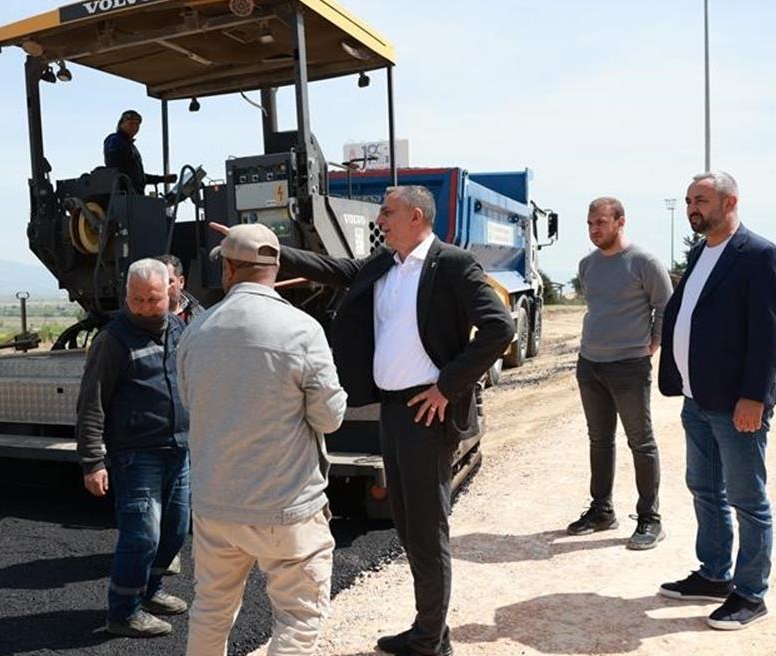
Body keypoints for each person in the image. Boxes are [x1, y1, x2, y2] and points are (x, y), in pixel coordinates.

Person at [276, 186, 515, 656]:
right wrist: (271, 249)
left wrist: (447, 386)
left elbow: (499, 327)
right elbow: (336, 270)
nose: (379, 219)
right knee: (407, 526)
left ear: (416, 216)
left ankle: (430, 641)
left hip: (426, 412)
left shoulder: (452, 264)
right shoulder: (385, 263)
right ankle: (431, 631)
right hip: (391, 410)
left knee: (426, 530)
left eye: (387, 212)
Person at [177, 223, 347, 656]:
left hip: (215, 504)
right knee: (298, 619)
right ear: (275, 268)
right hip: (285, 506)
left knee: (211, 610)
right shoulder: (303, 330)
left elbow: (191, 402)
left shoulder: (196, 332)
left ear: (229, 269)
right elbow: (329, 419)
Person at [656, 171, 776, 631]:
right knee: (705, 488)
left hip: (737, 403)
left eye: (701, 200)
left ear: (730, 202)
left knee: (747, 498)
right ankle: (715, 574)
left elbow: (770, 334)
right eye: (689, 200)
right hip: (697, 398)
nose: (692, 208)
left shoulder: (760, 255)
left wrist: (755, 396)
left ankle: (751, 594)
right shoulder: (701, 252)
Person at [75, 258, 190, 638]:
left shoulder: (178, 329)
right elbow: (91, 403)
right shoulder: (113, 340)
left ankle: (151, 591)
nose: (143, 308)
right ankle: (123, 612)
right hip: (136, 454)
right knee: (142, 535)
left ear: (170, 292)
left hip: (178, 448)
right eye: (136, 299)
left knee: (176, 529)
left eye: (152, 299)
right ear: (127, 295)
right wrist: (92, 461)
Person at [567, 197, 673, 550]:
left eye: (600, 222)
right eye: (590, 223)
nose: (594, 230)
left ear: (620, 222)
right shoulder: (587, 265)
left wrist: (653, 344)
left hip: (629, 366)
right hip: (590, 364)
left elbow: (665, 306)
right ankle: (602, 511)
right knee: (599, 440)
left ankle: (650, 519)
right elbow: (597, 307)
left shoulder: (644, 262)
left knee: (641, 441)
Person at [103, 109, 175, 195]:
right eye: (131, 123)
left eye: (137, 124)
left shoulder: (131, 146)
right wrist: (125, 187)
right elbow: (115, 171)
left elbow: (138, 177)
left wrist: (162, 179)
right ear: (121, 124)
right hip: (124, 195)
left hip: (134, 195)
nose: (134, 127)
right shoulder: (114, 140)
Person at [157, 254, 200, 324]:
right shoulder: (143, 316)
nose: (164, 287)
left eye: (169, 281)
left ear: (181, 282)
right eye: (158, 282)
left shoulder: (199, 314)